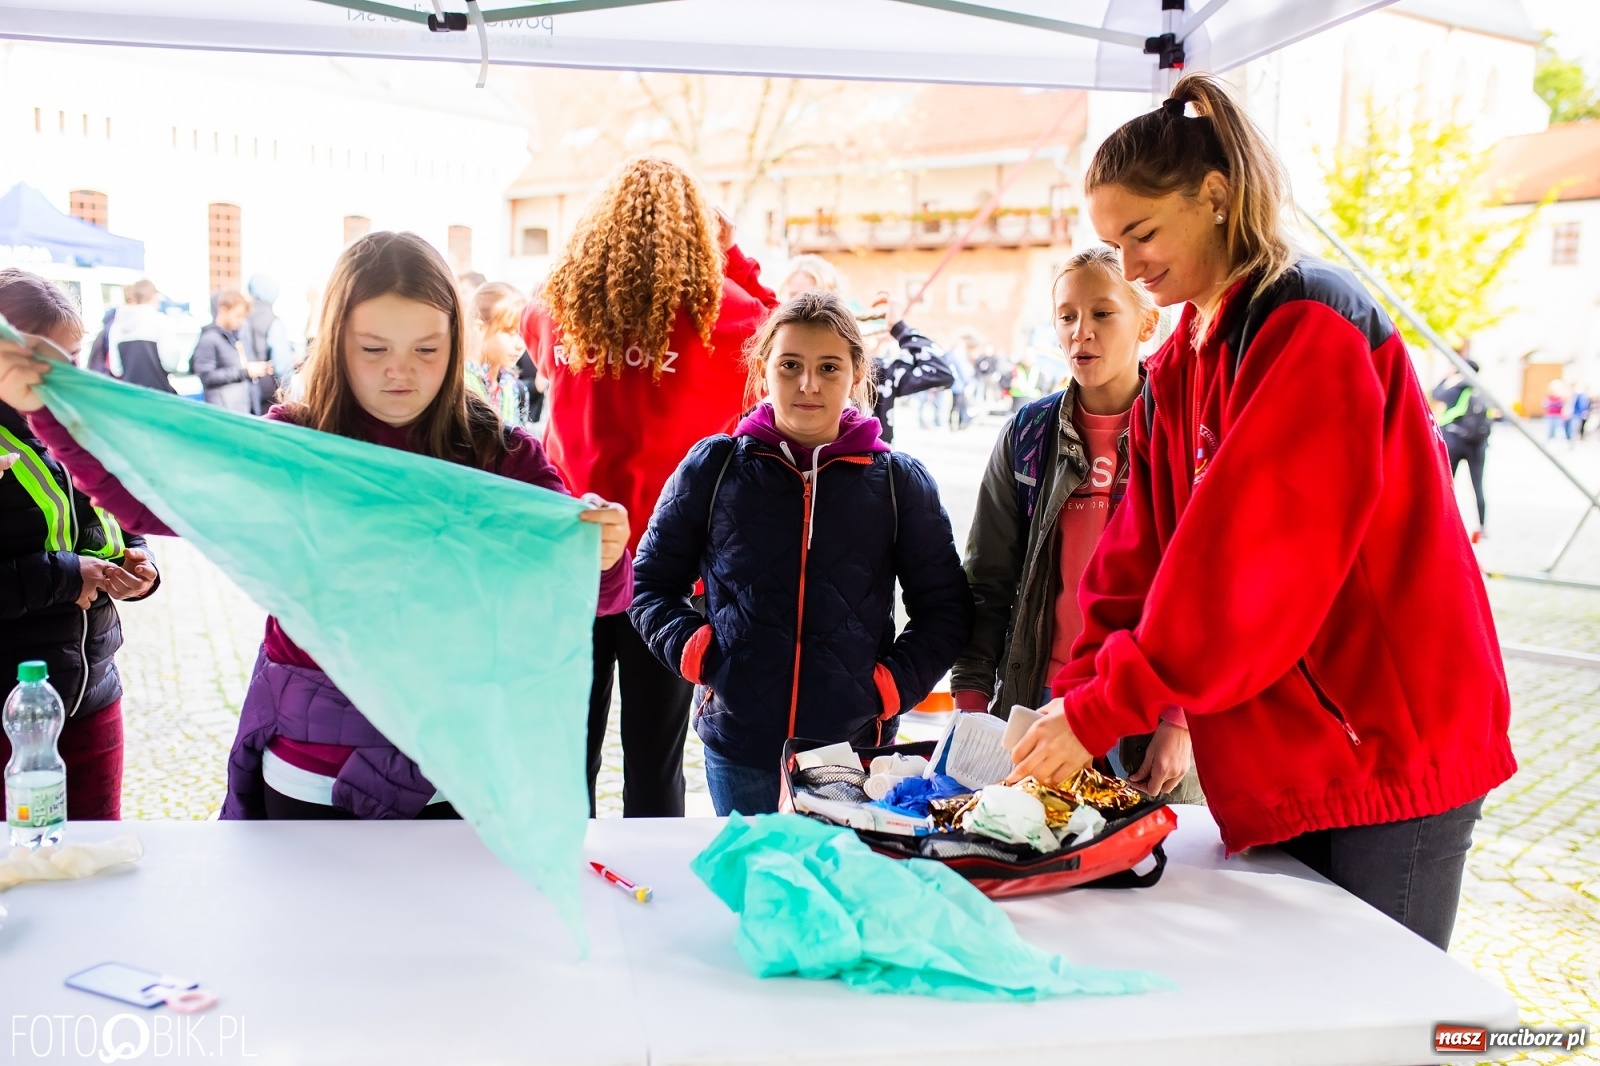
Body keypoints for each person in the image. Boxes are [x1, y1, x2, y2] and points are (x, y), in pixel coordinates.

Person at [1005, 73, 1515, 952]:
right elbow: (1136, 563)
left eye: (1142, 234)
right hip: (1286, 753)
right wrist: (1074, 704)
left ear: (1215, 196)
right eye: (1110, 244)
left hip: (1387, 743)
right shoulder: (1177, 369)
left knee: (1382, 1020)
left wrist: (1096, 715)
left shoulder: (1307, 321)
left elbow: (1248, 570)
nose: (1128, 267)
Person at [0, 233, 635, 820]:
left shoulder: (499, 454)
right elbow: (147, 493)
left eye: (426, 349)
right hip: (312, 770)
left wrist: (603, 554)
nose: (400, 371)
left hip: (455, 770)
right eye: (374, 349)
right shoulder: (291, 448)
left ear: (455, 345)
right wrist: (48, 408)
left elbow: (585, 593)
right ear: (336, 342)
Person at [630, 292, 974, 815]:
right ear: (763, 369)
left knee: (838, 886)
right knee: (751, 884)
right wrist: (700, 655)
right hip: (739, 743)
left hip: (851, 750)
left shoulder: (898, 483)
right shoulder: (715, 467)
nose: (808, 384)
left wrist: (889, 687)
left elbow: (946, 608)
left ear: (856, 375)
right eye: (790, 365)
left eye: (828, 367)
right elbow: (649, 583)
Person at [522, 157, 778, 818]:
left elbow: (528, 320)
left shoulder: (558, 311)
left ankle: (561, 882)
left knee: (565, 752)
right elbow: (782, 327)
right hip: (671, 572)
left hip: (568, 555)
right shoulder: (730, 320)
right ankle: (647, 888)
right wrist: (734, 253)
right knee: (657, 761)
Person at [953, 247, 1201, 803]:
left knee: (1150, 878)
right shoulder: (1028, 433)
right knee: (1044, 872)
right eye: (1066, 316)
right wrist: (971, 701)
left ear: (1146, 321)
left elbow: (1206, 588)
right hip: (1044, 695)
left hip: (1148, 704)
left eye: (1102, 314)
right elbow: (988, 578)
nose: (1080, 332)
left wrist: (1179, 719)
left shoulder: (1182, 428)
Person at [0, 268, 161, 822]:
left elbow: (119, 514)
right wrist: (70, 577)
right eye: (40, 358)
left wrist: (139, 564)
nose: (59, 376)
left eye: (70, 358)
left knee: (96, 850)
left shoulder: (80, 426)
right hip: (9, 710)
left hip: (93, 694)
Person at [1432, 359, 1493, 542]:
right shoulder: (1480, 388)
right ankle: (1482, 526)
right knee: (1478, 485)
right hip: (1478, 444)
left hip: (1455, 440)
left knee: (1448, 484)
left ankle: (1444, 523)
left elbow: (1437, 394)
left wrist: (1446, 378)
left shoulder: (1456, 388)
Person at [191, 290, 274, 413]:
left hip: (242, 408)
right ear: (223, 311)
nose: (241, 321)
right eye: (238, 315)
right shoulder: (209, 339)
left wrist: (256, 368)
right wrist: (245, 372)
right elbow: (206, 376)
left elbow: (240, 365)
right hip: (223, 410)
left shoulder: (238, 337)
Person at [465, 282, 531, 428]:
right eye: (510, 333)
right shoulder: (459, 384)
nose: (520, 345)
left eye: (522, 334)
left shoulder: (515, 388)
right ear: (480, 328)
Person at [105, 279, 180, 393]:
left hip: (131, 396)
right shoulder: (160, 321)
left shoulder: (117, 326)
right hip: (158, 394)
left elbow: (116, 370)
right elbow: (170, 363)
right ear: (154, 296)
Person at [244, 275, 295, 416]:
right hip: (266, 393)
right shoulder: (273, 322)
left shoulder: (241, 317)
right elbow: (282, 365)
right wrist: (287, 393)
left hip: (243, 391)